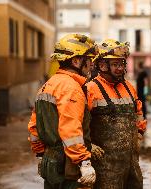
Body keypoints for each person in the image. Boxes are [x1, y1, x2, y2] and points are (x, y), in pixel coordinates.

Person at [27, 34, 104, 189]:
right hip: (68, 164)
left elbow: (34, 128)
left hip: (51, 161)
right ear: (76, 61)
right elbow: (71, 131)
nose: (91, 65)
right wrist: (84, 162)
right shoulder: (71, 88)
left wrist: (41, 155)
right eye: (88, 60)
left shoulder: (48, 85)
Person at [85, 39, 147, 189]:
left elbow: (138, 112)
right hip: (105, 167)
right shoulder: (90, 89)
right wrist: (88, 145)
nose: (120, 68)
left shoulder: (129, 87)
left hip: (131, 163)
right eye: (115, 64)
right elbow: (78, 123)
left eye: (122, 64)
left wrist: (139, 133)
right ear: (102, 65)